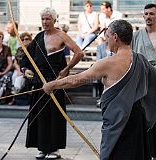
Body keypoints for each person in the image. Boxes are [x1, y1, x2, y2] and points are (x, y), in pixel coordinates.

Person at [43, 19, 156, 160]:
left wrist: (52, 85)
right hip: (137, 118)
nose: (106, 40)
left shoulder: (107, 63)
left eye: (107, 36)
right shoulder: (142, 60)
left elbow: (76, 80)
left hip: (118, 122)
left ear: (115, 37)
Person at [20, 7, 84, 159]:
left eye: (48, 19)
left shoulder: (62, 35)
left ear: (55, 20)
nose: (45, 21)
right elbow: (26, 57)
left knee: (54, 114)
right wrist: (25, 70)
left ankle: (54, 149)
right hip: (40, 82)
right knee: (39, 114)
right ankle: (42, 147)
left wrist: (66, 69)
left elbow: (79, 52)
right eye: (43, 19)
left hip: (55, 81)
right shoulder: (39, 36)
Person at [131, 3, 156, 160]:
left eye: (152, 14)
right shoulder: (136, 36)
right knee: (146, 114)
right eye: (146, 14)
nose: (149, 17)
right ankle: (148, 151)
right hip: (144, 80)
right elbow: (130, 57)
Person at [8, 32, 32, 105]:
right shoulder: (19, 49)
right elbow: (15, 62)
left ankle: (16, 97)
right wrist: (19, 71)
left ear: (30, 40)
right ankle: (14, 97)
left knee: (19, 80)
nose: (24, 41)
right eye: (22, 39)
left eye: (26, 39)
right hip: (19, 69)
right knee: (14, 76)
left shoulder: (33, 50)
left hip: (29, 70)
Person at [0, 31, 13, 104]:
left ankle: (2, 100)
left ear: (2, 38)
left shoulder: (7, 48)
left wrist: (3, 73)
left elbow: (10, 64)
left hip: (4, 71)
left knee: (7, 77)